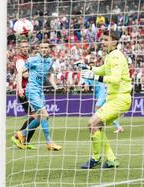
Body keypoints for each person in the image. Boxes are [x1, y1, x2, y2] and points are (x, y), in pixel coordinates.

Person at [75, 30, 132, 168]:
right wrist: (88, 67)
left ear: (115, 42)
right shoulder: (110, 56)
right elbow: (103, 70)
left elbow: (116, 79)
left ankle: (96, 158)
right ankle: (111, 159)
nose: (103, 42)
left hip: (120, 98)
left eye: (106, 40)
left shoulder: (115, 57)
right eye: (103, 39)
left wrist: (94, 77)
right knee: (97, 126)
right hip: (115, 98)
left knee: (92, 123)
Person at [15, 41, 62, 151]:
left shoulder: (50, 61)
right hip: (31, 90)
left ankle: (22, 133)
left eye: (46, 47)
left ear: (49, 49)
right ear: (39, 49)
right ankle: (49, 142)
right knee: (44, 114)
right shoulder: (32, 60)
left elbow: (49, 76)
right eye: (42, 48)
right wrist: (20, 88)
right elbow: (19, 73)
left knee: (41, 117)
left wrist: (56, 87)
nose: (44, 49)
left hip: (40, 91)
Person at [11, 39, 38, 150]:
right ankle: (18, 136)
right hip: (25, 91)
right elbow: (25, 75)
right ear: (19, 49)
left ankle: (25, 141)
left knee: (36, 116)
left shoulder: (26, 59)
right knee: (36, 116)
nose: (25, 48)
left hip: (30, 90)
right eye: (23, 47)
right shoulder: (20, 60)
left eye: (27, 46)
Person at [82, 66, 124, 134]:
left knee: (97, 108)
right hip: (102, 93)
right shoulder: (89, 76)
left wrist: (85, 86)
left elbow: (86, 88)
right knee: (105, 111)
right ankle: (119, 127)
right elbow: (87, 87)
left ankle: (97, 125)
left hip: (103, 93)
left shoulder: (89, 75)